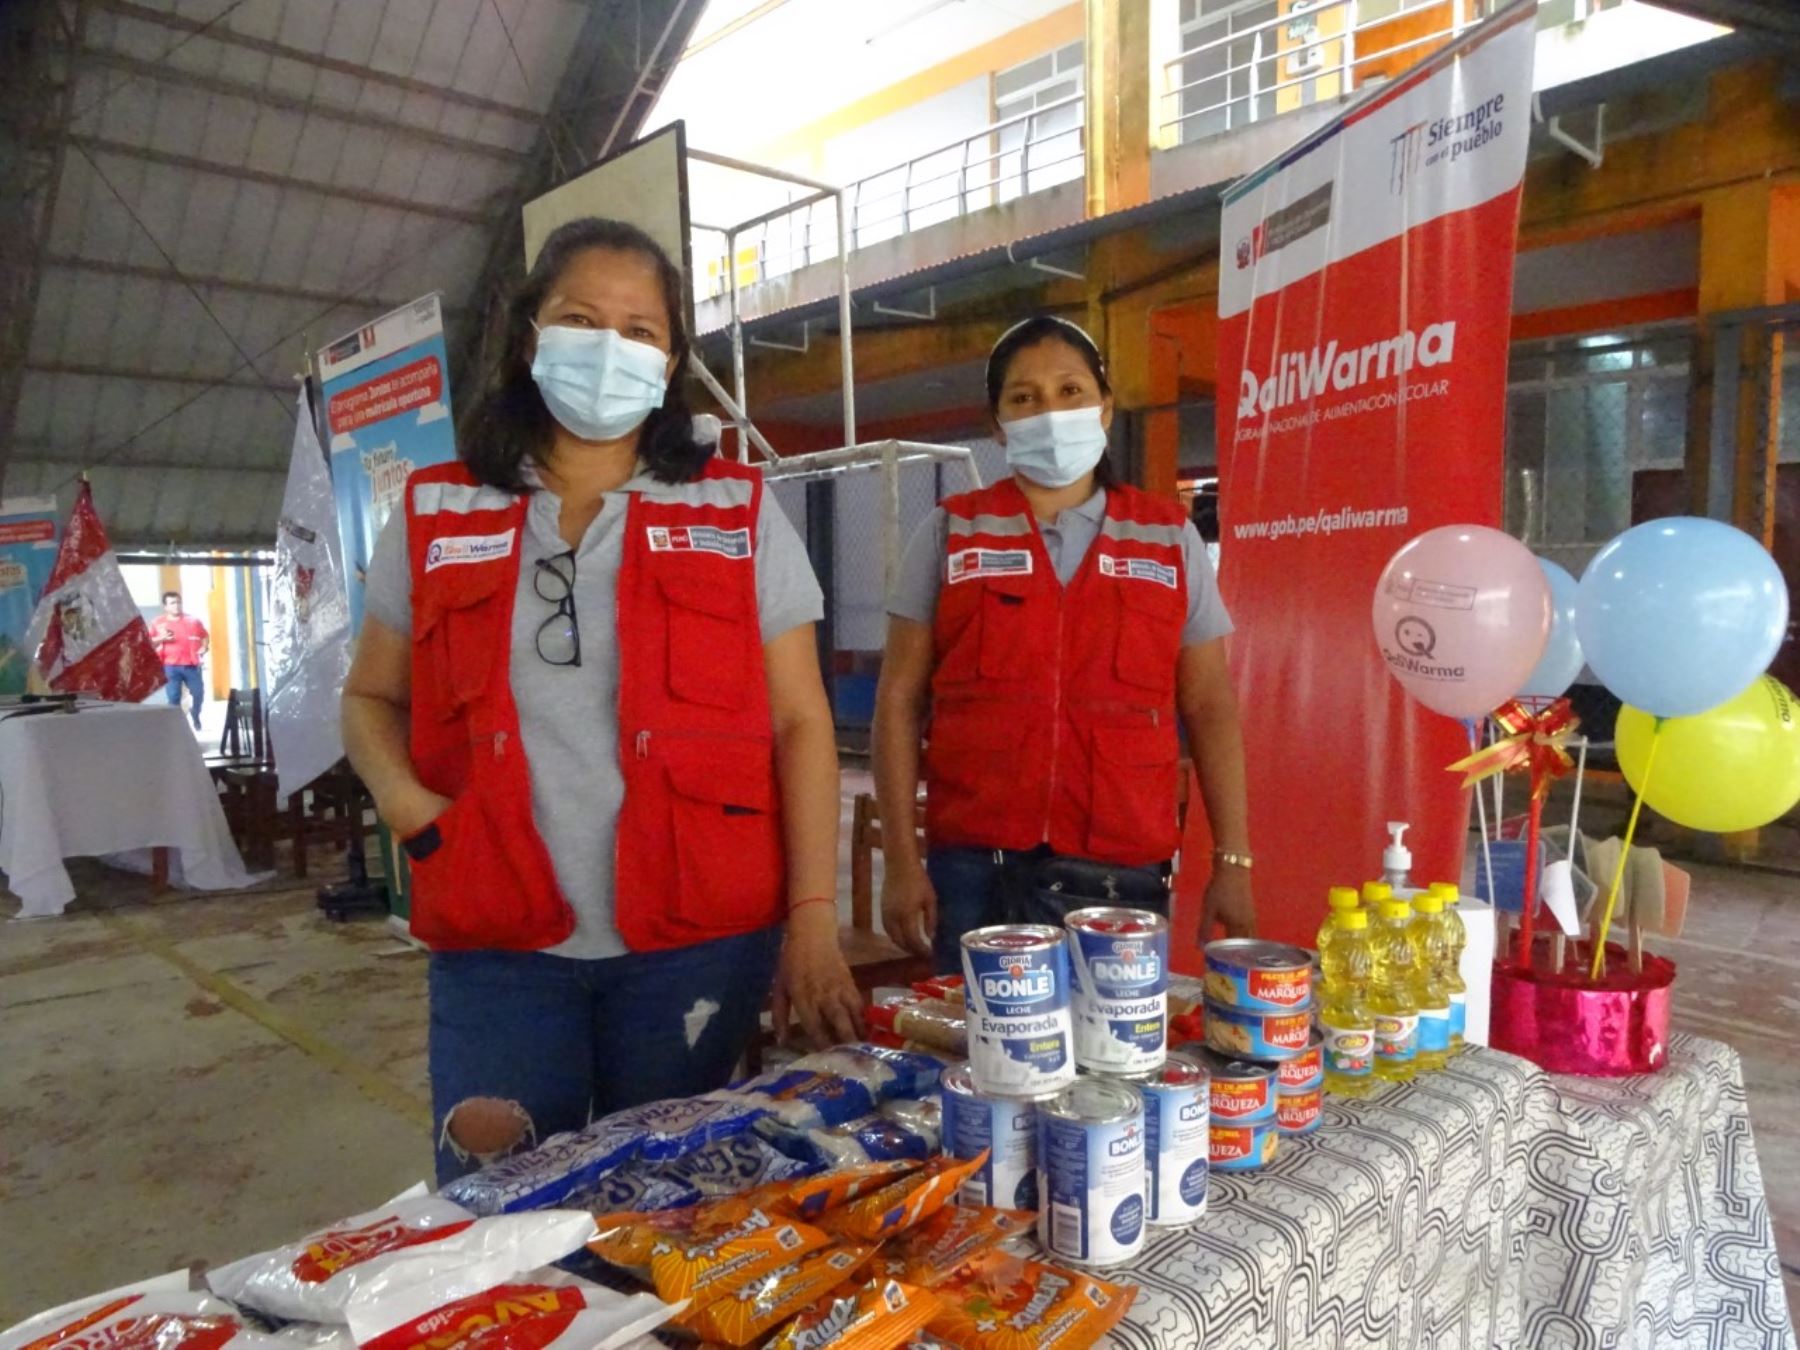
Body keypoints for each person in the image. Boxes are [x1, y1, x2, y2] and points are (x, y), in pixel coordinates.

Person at [341, 216, 863, 1184]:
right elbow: (370, 697)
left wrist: (814, 914)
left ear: (669, 363)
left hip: (697, 940)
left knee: (665, 1208)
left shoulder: (736, 511)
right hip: (499, 937)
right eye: (582, 319)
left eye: (641, 330)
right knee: (496, 1210)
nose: (610, 348)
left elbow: (800, 722)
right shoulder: (437, 508)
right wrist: (410, 809)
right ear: (531, 336)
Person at [872, 316, 1255, 973]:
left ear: (1105, 408)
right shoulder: (952, 532)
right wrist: (902, 864)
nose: (1049, 412)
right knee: (979, 1059)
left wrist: (1234, 861)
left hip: (1121, 869)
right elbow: (898, 705)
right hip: (975, 872)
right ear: (998, 425)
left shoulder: (1167, 537)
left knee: (1116, 1055)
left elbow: (1211, 706)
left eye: (1070, 391)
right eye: (1024, 398)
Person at [150, 591, 208, 729]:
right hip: (170, 666)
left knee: (198, 693)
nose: (176, 606)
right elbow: (149, 642)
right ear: (165, 606)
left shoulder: (193, 621)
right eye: (172, 603)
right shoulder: (158, 623)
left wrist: (204, 647)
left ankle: (195, 713)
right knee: (173, 697)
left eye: (178, 602)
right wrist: (162, 638)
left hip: (191, 665)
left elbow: (204, 635)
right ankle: (175, 726)